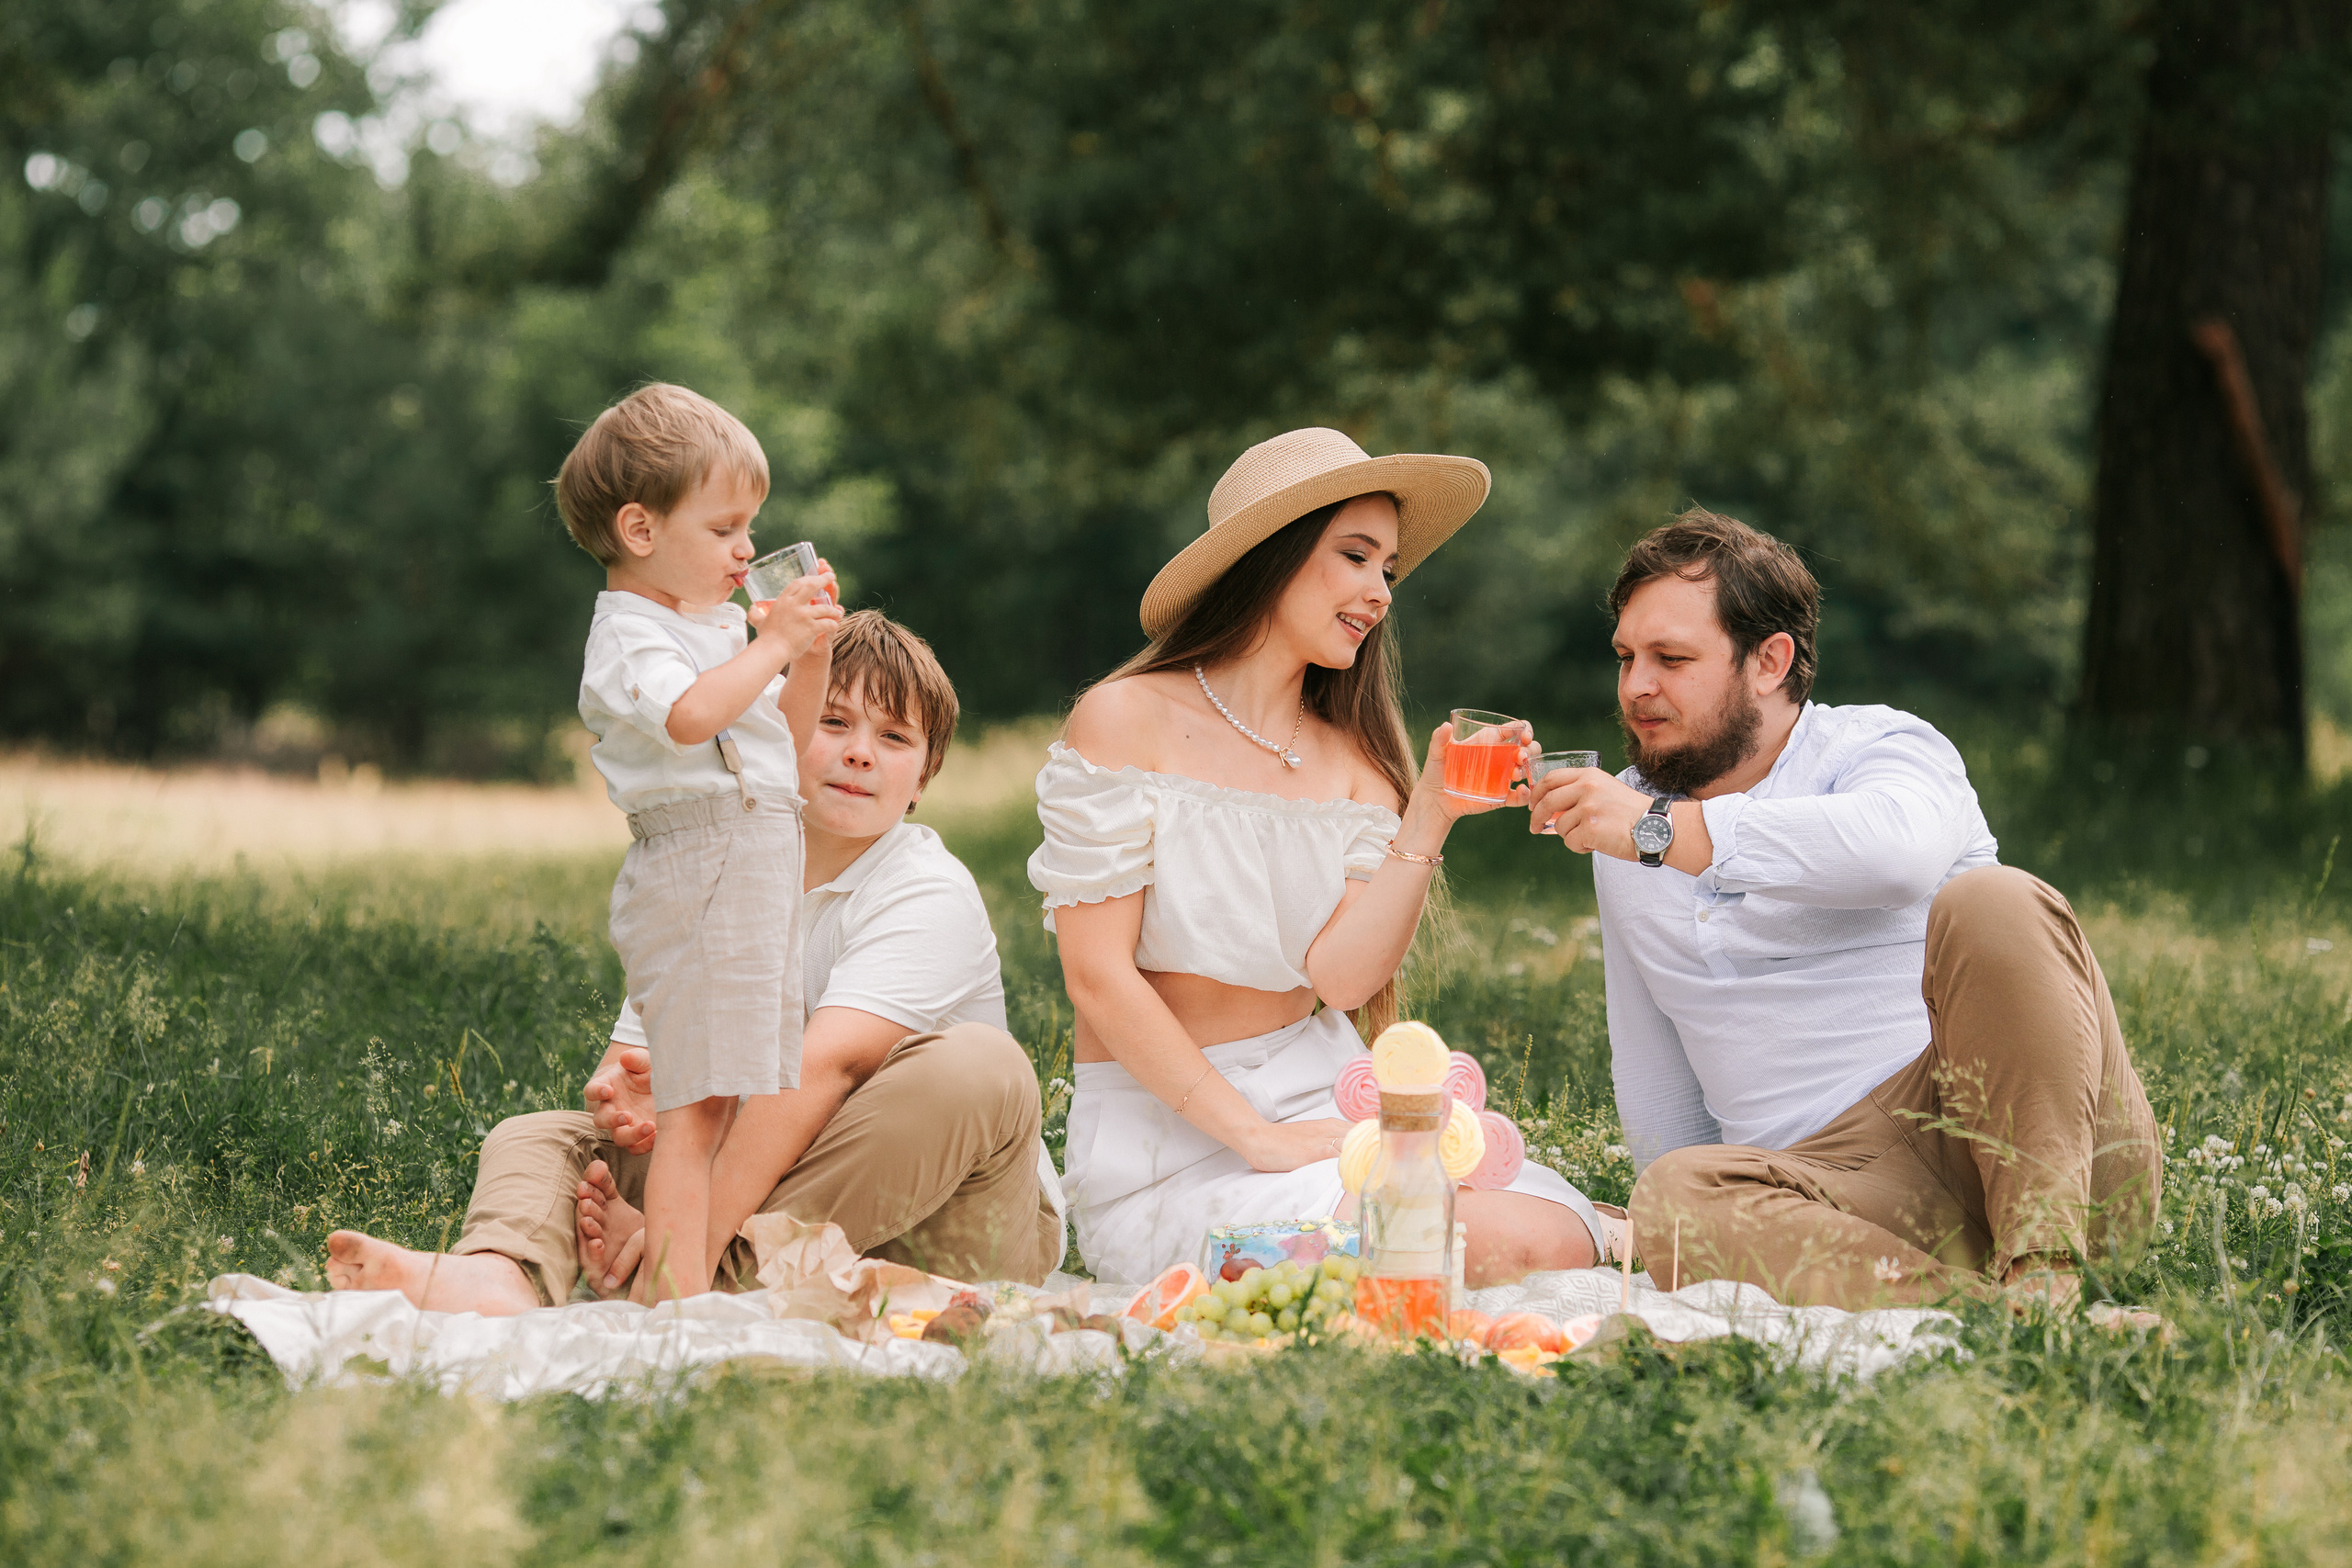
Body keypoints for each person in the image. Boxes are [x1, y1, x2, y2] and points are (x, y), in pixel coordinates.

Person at [325, 610, 1065, 1313]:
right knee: (537, 1136)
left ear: (924, 775)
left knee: (979, 1064)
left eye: (895, 737)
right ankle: (498, 1276)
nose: (860, 751)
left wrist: (678, 1239)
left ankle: (693, 1274)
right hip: (772, 1184)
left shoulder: (925, 886)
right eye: (833, 721)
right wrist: (629, 1103)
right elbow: (639, 1073)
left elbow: (823, 1072)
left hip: (946, 1223)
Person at [1525, 508, 2161, 1310]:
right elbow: (1657, 1074)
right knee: (1672, 1200)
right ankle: (1997, 1314)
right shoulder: (1626, 828)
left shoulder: (1880, 748)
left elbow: (1896, 856)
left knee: (1997, 900)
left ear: (1770, 661)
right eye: (1625, 657)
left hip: (2022, 1138)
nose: (1636, 686)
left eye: (1671, 658)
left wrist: (1660, 831)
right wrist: (1681, 1222)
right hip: (1838, 1194)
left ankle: (2047, 1267)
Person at [1032, 425, 1605, 1289]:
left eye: (1389, 570)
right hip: (1171, 1138)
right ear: (1272, 553)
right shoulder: (1124, 719)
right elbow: (1098, 978)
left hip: (1321, 1102)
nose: (1379, 591)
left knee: (1543, 1232)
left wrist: (1430, 815)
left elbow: (1340, 982)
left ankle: (1613, 1230)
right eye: (1356, 555)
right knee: (1410, 1248)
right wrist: (1256, 1138)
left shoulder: (1356, 762)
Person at [563, 381, 844, 1301]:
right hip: (696, 867)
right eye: (726, 528)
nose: (748, 549)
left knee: (721, 1099)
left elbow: (786, 743)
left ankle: (681, 1280)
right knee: (692, 1106)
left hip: (753, 860)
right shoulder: (630, 638)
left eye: (750, 526)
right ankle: (678, 1305)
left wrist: (808, 653)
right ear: (641, 531)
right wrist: (766, 649)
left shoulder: (720, 627)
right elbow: (688, 719)